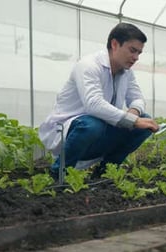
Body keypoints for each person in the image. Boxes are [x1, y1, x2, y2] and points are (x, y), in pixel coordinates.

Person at [38, 23, 159, 179]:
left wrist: (134, 112)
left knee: (144, 124)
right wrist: (133, 121)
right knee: (92, 124)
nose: (136, 58)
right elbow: (93, 104)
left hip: (99, 133)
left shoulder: (126, 72)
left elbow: (137, 98)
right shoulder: (89, 66)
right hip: (69, 134)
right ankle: (59, 172)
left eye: (139, 53)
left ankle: (106, 171)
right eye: (132, 50)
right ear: (115, 44)